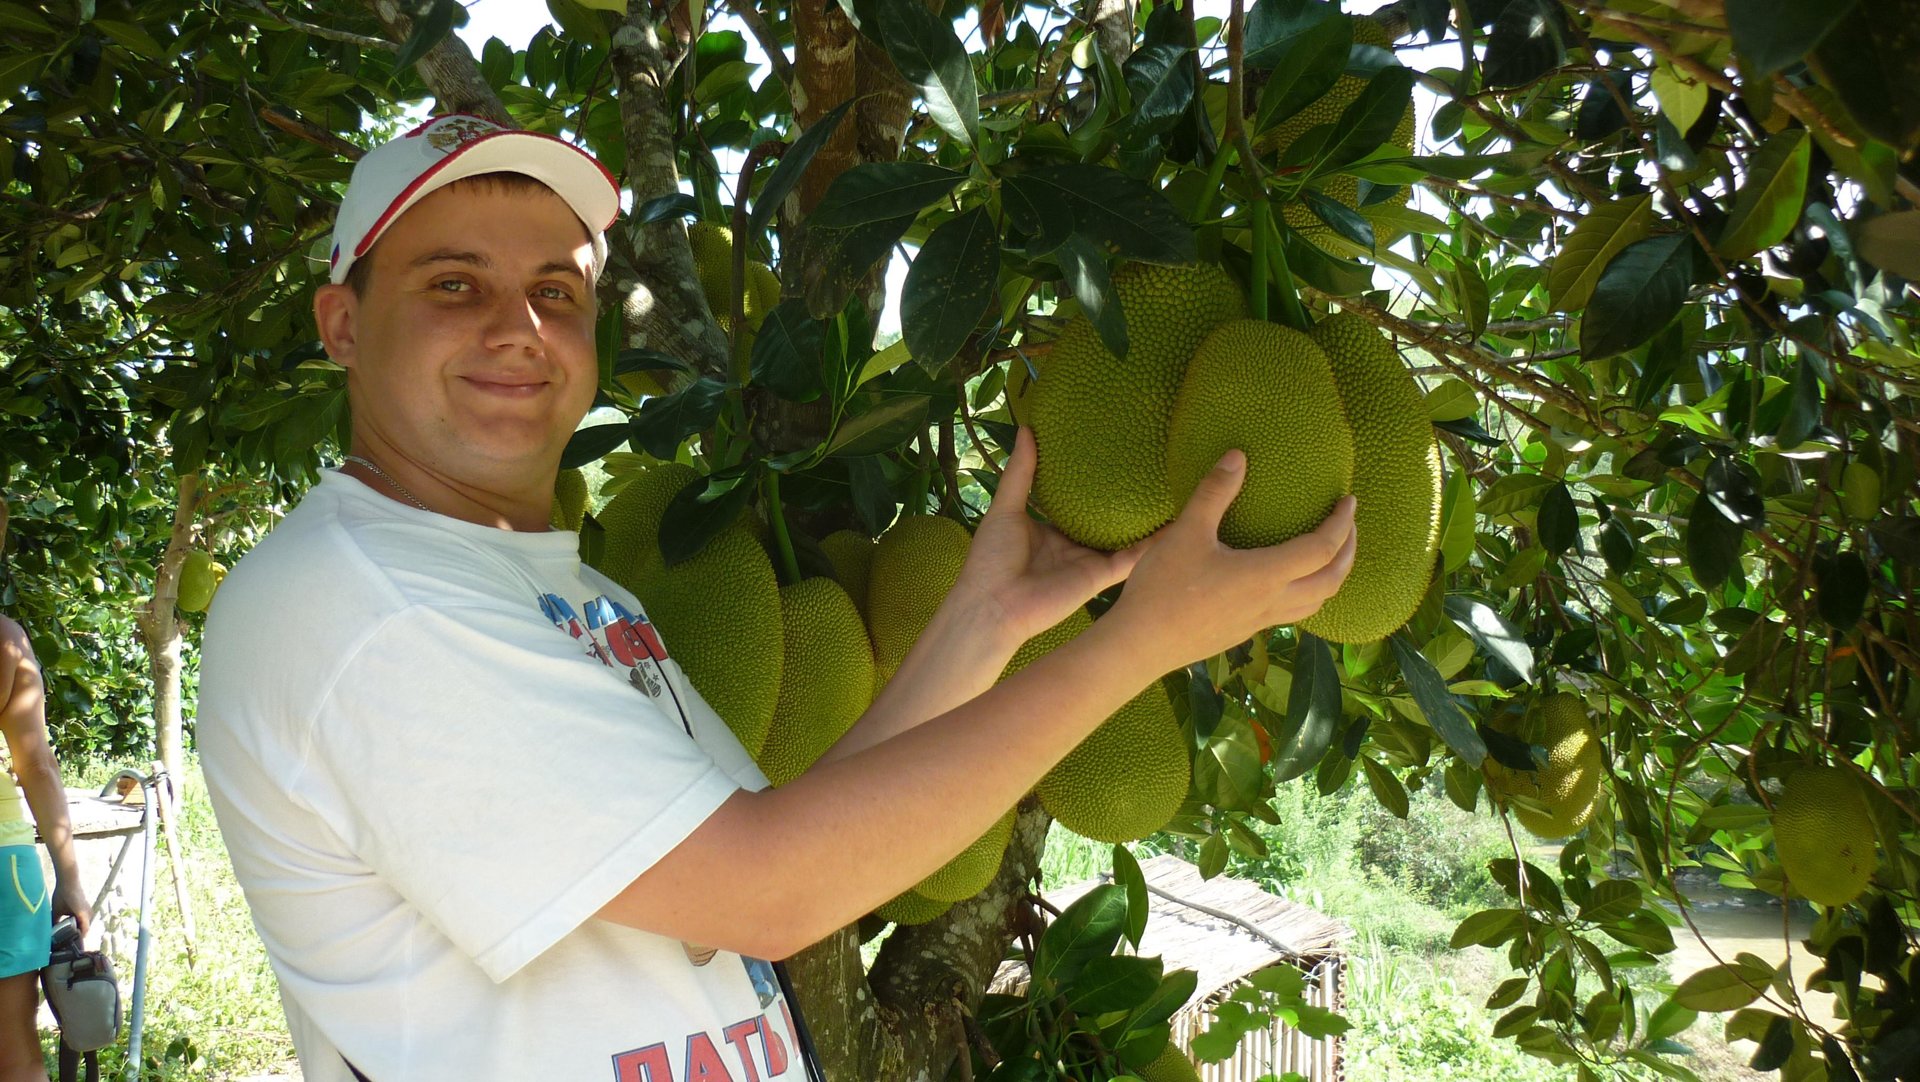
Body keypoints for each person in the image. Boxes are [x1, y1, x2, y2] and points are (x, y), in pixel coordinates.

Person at [197, 114, 1358, 1081]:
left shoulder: (549, 584)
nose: (521, 329)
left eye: (557, 287)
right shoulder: (371, 607)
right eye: (455, 284)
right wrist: (1139, 644)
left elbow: (748, 857)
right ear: (342, 322)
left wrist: (984, 622)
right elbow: (771, 890)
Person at [0, 498, 92, 1082]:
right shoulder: (7, 640)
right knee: (16, 1048)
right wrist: (71, 878)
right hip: (8, 868)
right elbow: (38, 767)